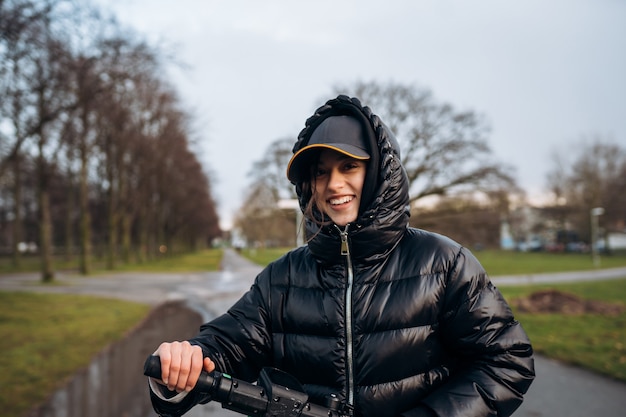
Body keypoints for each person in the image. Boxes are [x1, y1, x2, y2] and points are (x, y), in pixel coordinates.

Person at [148, 95, 535, 417]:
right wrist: (186, 360)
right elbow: (225, 346)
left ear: (380, 171)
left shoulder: (445, 263)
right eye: (320, 172)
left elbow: (506, 361)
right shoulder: (280, 279)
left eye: (349, 165)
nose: (334, 184)